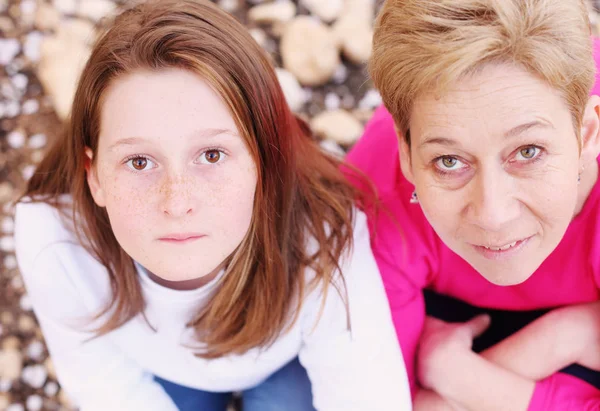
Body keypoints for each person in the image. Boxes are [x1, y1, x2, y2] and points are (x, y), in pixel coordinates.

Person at [13, 1, 411, 410]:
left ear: (262, 160)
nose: (177, 201)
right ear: (94, 175)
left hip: (285, 365)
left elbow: (367, 396)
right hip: (160, 370)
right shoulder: (53, 237)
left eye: (212, 155)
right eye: (139, 161)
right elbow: (102, 382)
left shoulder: (323, 233)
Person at [346, 0, 600, 409]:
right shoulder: (374, 201)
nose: (493, 216)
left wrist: (460, 377)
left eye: (528, 151)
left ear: (587, 135)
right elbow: (386, 400)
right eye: (450, 162)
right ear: (407, 155)